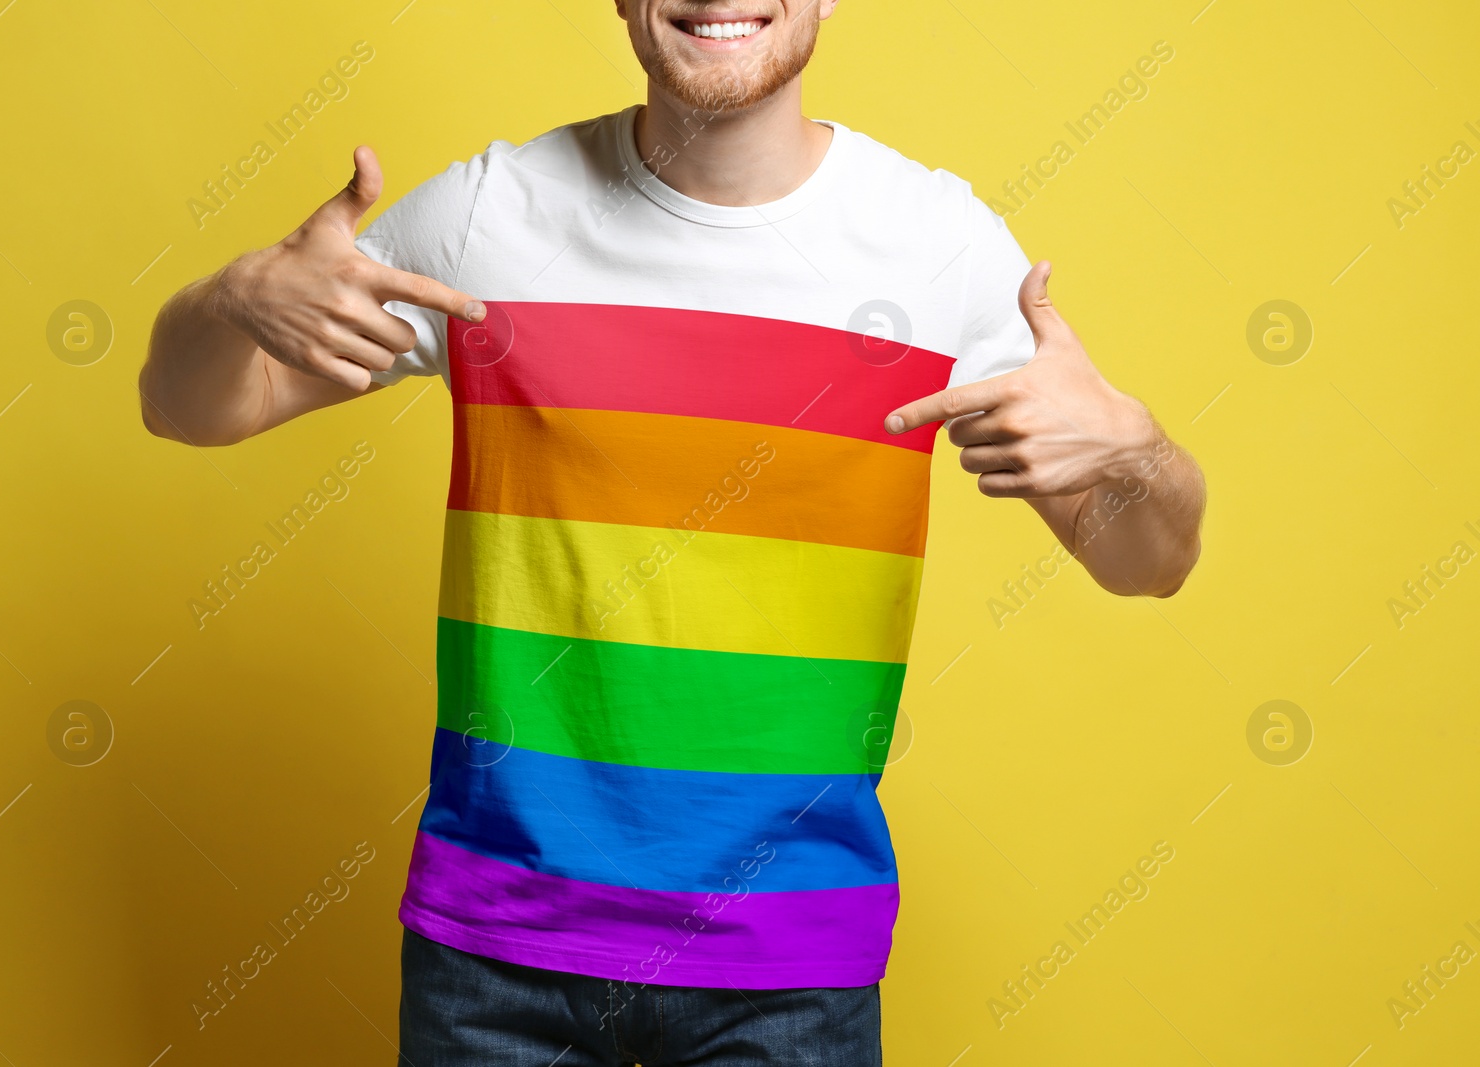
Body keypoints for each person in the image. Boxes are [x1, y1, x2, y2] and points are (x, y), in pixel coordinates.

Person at [138, 1, 1207, 1062]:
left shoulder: (938, 247)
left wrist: (1136, 449)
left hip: (789, 962)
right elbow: (187, 407)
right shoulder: (490, 216)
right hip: (496, 947)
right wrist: (232, 300)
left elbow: (1146, 563)